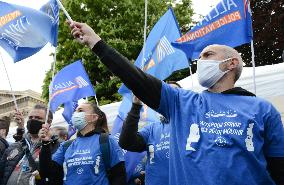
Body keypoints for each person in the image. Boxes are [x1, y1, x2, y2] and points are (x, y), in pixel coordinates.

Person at [68, 21, 284, 185]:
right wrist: (96, 43)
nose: (201, 62)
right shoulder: (181, 103)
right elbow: (136, 78)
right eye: (199, 57)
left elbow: (278, 170)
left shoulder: (263, 109)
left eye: (208, 55)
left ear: (231, 64)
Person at [39, 102, 127, 185]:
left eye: (80, 111)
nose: (75, 114)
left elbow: (119, 175)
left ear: (94, 118)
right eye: (75, 111)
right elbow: (47, 172)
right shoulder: (66, 146)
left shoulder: (106, 141)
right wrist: (46, 143)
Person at [119, 82, 181, 185]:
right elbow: (126, 143)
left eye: (174, 92)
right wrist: (136, 106)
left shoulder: (192, 123)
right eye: (165, 94)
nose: (169, 96)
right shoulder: (152, 129)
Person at [0, 104, 60, 185]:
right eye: (30, 117)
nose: (33, 120)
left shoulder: (56, 147)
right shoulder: (15, 146)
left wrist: (46, 143)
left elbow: (52, 175)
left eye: (38, 118)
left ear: (48, 122)